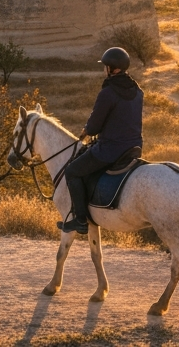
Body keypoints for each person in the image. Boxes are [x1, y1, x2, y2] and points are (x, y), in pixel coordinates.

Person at [57, 47, 144, 234]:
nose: (103, 70)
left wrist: (86, 131)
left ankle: (80, 220)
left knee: (72, 171)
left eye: (105, 66)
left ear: (113, 69)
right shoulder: (137, 91)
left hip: (110, 150)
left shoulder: (108, 92)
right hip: (133, 148)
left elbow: (95, 126)